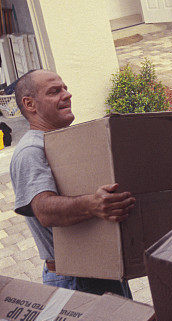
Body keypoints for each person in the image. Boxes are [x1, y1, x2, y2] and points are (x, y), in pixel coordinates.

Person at [10, 69, 135, 296]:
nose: (67, 95)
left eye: (65, 88)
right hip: (74, 280)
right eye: (54, 91)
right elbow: (44, 211)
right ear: (30, 104)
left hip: (101, 272)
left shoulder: (64, 141)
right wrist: (93, 204)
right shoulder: (31, 151)